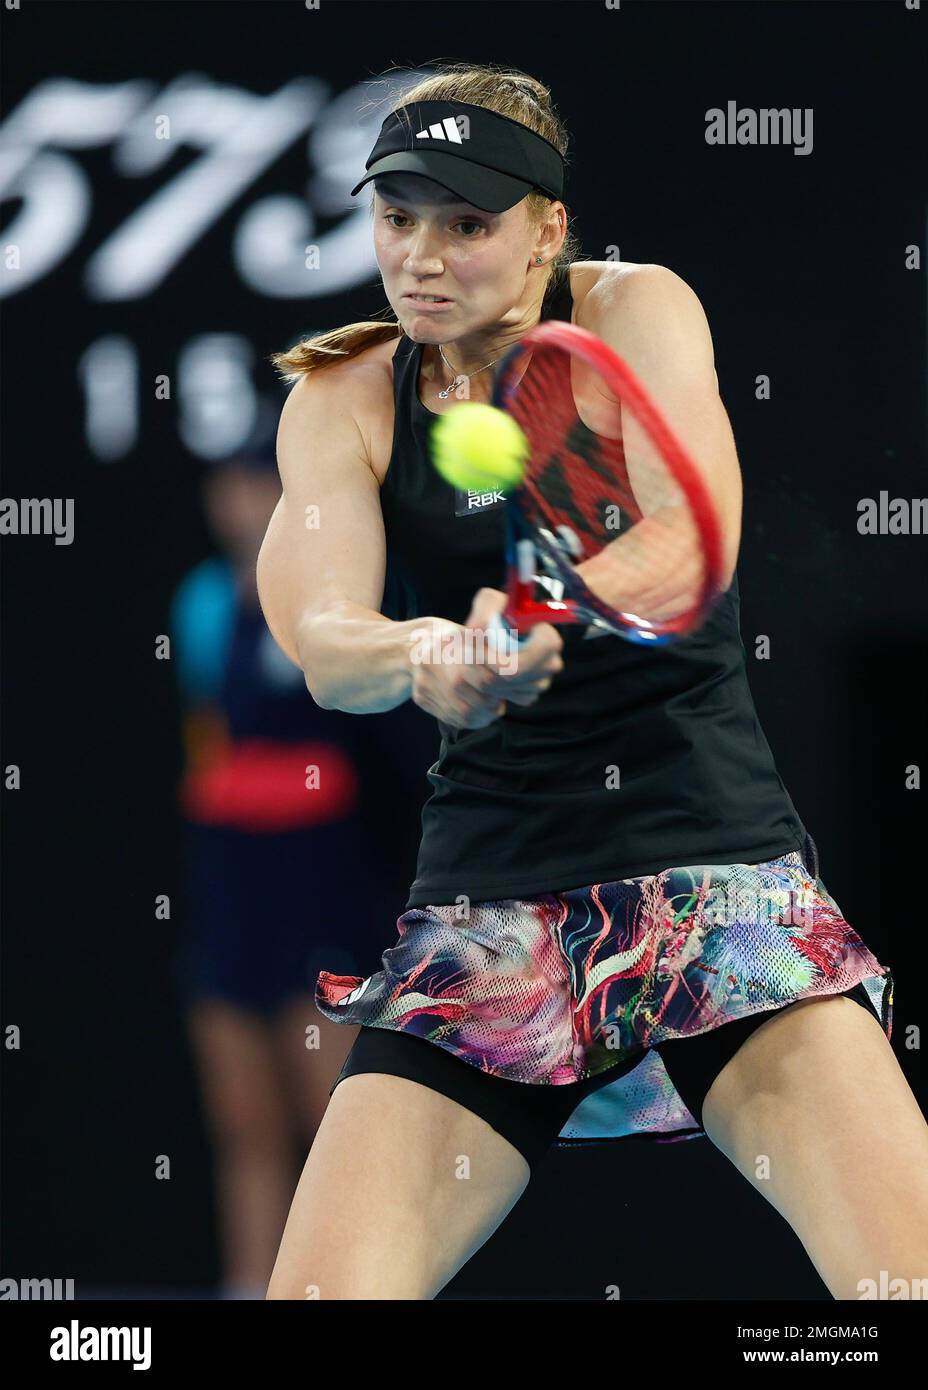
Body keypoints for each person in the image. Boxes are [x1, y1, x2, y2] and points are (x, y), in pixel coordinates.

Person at [258, 63, 925, 1301]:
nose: (422, 256)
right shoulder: (342, 396)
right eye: (398, 217)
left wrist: (542, 607)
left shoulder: (635, 308)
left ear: (547, 229)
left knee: (903, 1285)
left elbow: (691, 534)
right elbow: (324, 643)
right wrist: (427, 654)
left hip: (710, 876)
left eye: (468, 223)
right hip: (489, 911)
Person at [170, 412, 385, 1299]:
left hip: (324, 891)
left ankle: (350, 1285)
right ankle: (247, 1284)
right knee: (242, 1118)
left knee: (332, 1115)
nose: (245, 501)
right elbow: (209, 747)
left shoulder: (340, 597)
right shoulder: (200, 605)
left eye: (267, 485)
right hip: (230, 887)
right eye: (234, 484)